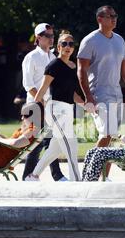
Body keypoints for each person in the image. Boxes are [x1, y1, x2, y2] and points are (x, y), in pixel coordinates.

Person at [77, 5, 125, 180]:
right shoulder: (90, 40)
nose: (114, 18)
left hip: (116, 93)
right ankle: (90, 174)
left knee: (111, 136)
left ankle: (103, 177)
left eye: (115, 15)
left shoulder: (119, 40)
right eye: (110, 16)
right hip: (98, 94)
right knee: (107, 133)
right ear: (100, 18)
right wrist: (88, 97)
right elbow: (81, 70)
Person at [25, 31, 85, 181]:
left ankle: (33, 176)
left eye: (71, 44)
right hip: (55, 109)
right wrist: (33, 110)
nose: (68, 47)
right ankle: (76, 181)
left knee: (55, 147)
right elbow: (42, 89)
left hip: (68, 110)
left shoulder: (73, 66)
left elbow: (73, 94)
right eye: (64, 43)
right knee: (71, 145)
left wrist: (88, 106)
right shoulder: (53, 65)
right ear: (58, 47)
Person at [21, 23, 67, 182]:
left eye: (52, 36)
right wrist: (43, 102)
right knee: (37, 143)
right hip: (35, 107)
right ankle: (28, 176)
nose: (51, 38)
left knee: (51, 141)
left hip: (50, 105)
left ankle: (54, 175)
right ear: (38, 38)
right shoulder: (31, 57)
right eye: (47, 36)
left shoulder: (54, 57)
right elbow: (28, 85)